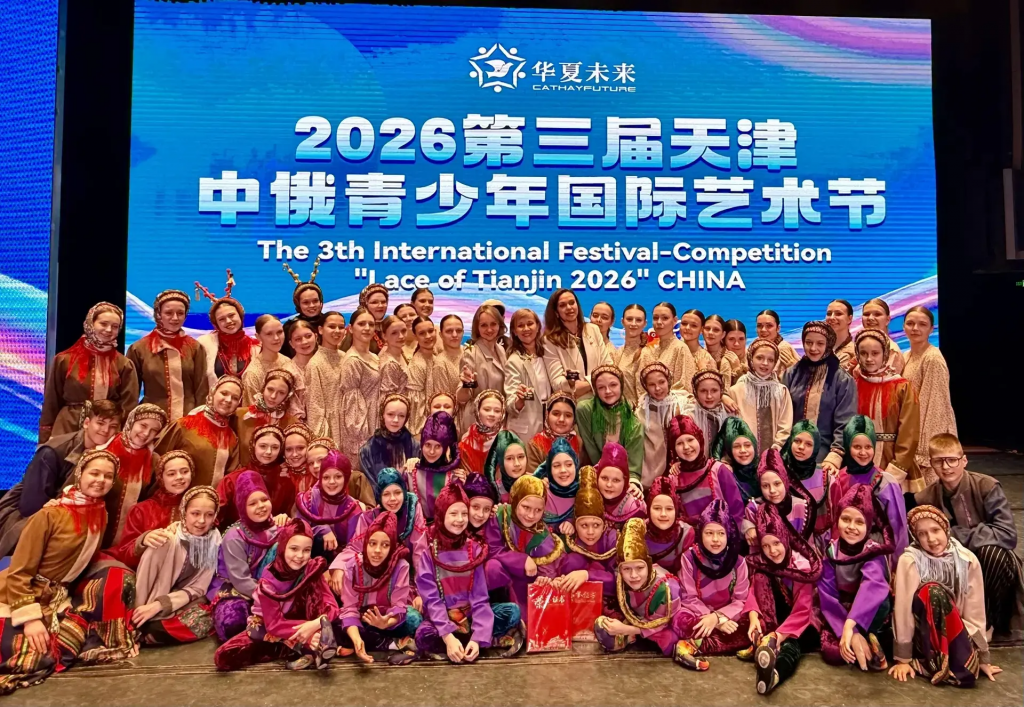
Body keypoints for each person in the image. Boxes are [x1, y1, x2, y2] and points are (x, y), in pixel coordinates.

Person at [0, 450, 131, 695]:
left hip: (57, 598)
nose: (100, 480)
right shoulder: (49, 515)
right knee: (33, 655)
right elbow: (19, 572)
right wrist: (29, 619)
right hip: (19, 594)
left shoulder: (100, 513)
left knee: (68, 646)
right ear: (80, 475)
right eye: (94, 473)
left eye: (107, 476)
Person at [914, 433, 1023, 640]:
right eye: (939, 461)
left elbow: (1008, 534)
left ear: (964, 460)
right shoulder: (925, 497)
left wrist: (955, 535)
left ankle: (989, 621)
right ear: (931, 464)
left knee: (991, 552)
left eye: (952, 460)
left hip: (992, 567)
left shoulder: (987, 486)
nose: (946, 467)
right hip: (951, 563)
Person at [414, 481, 524, 662]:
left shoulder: (475, 550)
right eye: (453, 513)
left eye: (464, 513)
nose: (460, 519)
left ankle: (472, 642)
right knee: (423, 635)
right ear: (441, 515)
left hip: (471, 616)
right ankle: (470, 642)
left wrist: (477, 637)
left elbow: (480, 598)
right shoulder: (430, 553)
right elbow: (432, 600)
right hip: (444, 618)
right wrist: (448, 636)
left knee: (512, 612)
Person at [890, 505, 998, 687]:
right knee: (932, 591)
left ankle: (955, 659)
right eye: (922, 534)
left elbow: (975, 609)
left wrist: (982, 657)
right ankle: (932, 660)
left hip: (955, 631)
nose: (931, 539)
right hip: (921, 635)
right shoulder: (910, 561)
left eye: (935, 530)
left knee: (967, 671)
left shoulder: (966, 559)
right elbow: (903, 611)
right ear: (915, 537)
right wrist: (903, 659)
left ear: (946, 529)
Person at [214, 518, 340, 671]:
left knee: (335, 618)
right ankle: (305, 648)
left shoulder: (312, 569)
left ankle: (309, 646)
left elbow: (332, 606)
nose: (300, 555)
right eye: (294, 549)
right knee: (225, 655)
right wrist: (308, 635)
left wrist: (315, 623)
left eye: (306, 550)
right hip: (271, 625)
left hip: (304, 620)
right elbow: (274, 624)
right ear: (282, 547)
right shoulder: (270, 578)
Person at [0, 400, 119, 556]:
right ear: (86, 423)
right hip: (29, 518)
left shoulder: (108, 454)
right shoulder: (53, 451)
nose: (106, 430)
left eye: (113, 426)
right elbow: (30, 505)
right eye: (100, 423)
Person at [742, 503, 823, 696]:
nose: (772, 551)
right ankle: (767, 648)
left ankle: (775, 675)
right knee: (760, 577)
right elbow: (754, 591)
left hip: (805, 621)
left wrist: (777, 636)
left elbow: (803, 610)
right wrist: (753, 617)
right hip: (780, 619)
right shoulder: (763, 562)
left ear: (785, 539)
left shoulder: (801, 567)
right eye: (766, 546)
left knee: (792, 645)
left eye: (776, 543)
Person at [593, 518, 696, 669]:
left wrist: (626, 629)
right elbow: (605, 579)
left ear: (648, 565)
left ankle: (640, 637)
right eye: (627, 569)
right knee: (603, 626)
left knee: (672, 635)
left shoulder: (666, 587)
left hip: (664, 624)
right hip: (639, 620)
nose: (633, 575)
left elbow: (661, 623)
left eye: (639, 568)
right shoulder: (621, 578)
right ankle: (631, 637)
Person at [132, 485, 221, 645]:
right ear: (184, 512)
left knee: (209, 617)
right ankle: (142, 630)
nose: (201, 521)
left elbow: (199, 588)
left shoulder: (215, 541)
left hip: (180, 602)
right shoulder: (167, 539)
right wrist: (139, 615)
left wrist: (160, 605)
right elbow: (144, 581)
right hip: (148, 600)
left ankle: (152, 632)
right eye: (195, 513)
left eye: (209, 515)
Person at [818, 484, 893, 671]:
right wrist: (849, 630)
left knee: (882, 603)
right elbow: (828, 596)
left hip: (867, 614)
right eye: (846, 519)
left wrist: (852, 626)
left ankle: (871, 636)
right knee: (833, 653)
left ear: (868, 525)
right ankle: (861, 641)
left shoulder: (873, 551)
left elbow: (872, 587)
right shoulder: (831, 551)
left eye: (859, 522)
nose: (851, 527)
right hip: (841, 613)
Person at [39, 302, 138, 443]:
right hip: (68, 428)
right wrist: (44, 438)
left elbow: (128, 406)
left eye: (115, 326)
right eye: (103, 324)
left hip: (106, 431)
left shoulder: (124, 365)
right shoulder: (64, 360)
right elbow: (51, 401)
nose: (109, 330)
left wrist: (122, 439)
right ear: (91, 323)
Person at [335, 511, 419, 665]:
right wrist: (357, 639)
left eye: (385, 545)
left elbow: (399, 606)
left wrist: (386, 623)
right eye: (372, 543)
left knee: (414, 619)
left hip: (389, 621)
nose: (377, 551)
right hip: (364, 621)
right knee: (338, 623)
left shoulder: (401, 566)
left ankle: (380, 641)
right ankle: (389, 643)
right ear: (365, 543)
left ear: (392, 547)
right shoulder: (352, 566)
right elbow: (350, 609)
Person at [675, 499, 752, 665]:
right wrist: (712, 620)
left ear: (728, 534)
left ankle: (696, 644)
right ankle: (718, 643)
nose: (715, 539)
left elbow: (741, 600)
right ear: (701, 534)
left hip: (728, 615)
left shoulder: (738, 561)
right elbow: (689, 598)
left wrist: (717, 618)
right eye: (709, 533)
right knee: (680, 619)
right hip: (699, 614)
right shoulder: (690, 558)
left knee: (753, 623)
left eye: (721, 533)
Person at [208, 471, 281, 642]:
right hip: (235, 587)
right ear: (242, 506)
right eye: (252, 503)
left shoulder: (278, 526)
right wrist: (271, 598)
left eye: (264, 500)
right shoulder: (235, 536)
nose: (261, 506)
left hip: (268, 588)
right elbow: (240, 580)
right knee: (232, 623)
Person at [483, 475, 569, 615]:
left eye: (538, 510)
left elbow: (548, 566)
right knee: (493, 567)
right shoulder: (500, 515)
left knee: (527, 617)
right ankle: (496, 612)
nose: (531, 515)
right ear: (515, 500)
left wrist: (544, 578)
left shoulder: (541, 532)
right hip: (502, 577)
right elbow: (492, 549)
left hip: (526, 583)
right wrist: (522, 560)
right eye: (526, 507)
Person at [850, 329, 922, 491]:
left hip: (893, 459)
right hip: (860, 458)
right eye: (863, 353)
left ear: (885, 354)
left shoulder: (902, 387)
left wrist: (896, 469)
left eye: (875, 353)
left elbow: (909, 432)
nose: (869, 359)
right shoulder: (853, 385)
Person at [782, 321, 856, 471]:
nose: (813, 348)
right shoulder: (791, 374)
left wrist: (835, 455)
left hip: (825, 456)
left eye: (820, 343)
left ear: (829, 345)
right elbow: (782, 416)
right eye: (809, 342)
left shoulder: (842, 379)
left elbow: (845, 422)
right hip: (791, 452)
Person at [127, 289, 208, 422]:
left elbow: (202, 390)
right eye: (169, 313)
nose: (175, 318)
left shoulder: (195, 347)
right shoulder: (139, 348)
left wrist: (200, 421)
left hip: (188, 420)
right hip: (152, 421)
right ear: (159, 314)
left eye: (180, 313)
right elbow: (131, 393)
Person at [834, 415, 909, 559]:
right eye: (857, 447)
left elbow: (898, 529)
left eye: (868, 447)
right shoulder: (838, 479)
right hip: (843, 552)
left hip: (876, 553)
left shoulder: (886, 483)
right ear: (848, 447)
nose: (863, 453)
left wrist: (897, 563)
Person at [108, 450, 194, 570]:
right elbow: (125, 554)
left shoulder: (198, 508)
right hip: (144, 571)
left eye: (184, 471)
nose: (179, 477)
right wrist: (143, 541)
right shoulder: (141, 510)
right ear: (161, 478)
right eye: (171, 474)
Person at [98, 402, 167, 549]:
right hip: (96, 530)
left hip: (129, 538)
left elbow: (151, 500)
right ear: (131, 422)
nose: (146, 433)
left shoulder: (154, 461)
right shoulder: (104, 449)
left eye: (154, 430)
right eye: (143, 425)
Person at [154, 375, 242, 487]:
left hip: (213, 498)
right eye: (224, 393)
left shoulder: (232, 437)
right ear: (213, 393)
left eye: (235, 398)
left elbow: (231, 476)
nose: (228, 400)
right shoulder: (184, 425)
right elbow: (157, 460)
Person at [901, 306, 957, 484]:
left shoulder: (932, 358)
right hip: (912, 433)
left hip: (930, 438)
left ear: (931, 329)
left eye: (922, 324)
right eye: (910, 323)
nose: (915, 328)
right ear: (903, 327)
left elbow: (936, 407)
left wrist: (924, 450)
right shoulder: (906, 356)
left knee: (932, 492)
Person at [667, 415, 747, 531]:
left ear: (699, 440)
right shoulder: (674, 478)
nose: (686, 447)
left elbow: (736, 509)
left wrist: (731, 536)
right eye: (679, 443)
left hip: (720, 537)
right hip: (690, 538)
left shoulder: (718, 470)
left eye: (690, 440)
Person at [504, 308, 570, 442]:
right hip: (525, 431)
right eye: (520, 326)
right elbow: (510, 405)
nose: (526, 329)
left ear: (538, 326)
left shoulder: (547, 353)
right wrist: (519, 400)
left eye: (530, 323)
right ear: (514, 332)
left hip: (550, 425)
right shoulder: (514, 361)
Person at [576, 366, 643, 495]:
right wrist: (602, 475)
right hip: (593, 473)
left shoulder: (633, 422)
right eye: (601, 387)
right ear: (595, 390)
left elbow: (634, 463)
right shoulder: (585, 410)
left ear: (621, 386)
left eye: (613, 385)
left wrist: (633, 482)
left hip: (620, 478)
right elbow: (590, 448)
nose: (608, 391)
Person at [342, 467, 426, 564]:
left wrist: (421, 574)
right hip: (379, 569)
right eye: (386, 494)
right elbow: (354, 549)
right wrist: (339, 567)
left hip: (409, 568)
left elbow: (420, 548)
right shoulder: (369, 518)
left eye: (397, 492)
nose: (393, 498)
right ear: (379, 497)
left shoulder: (412, 509)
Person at [216, 425, 293, 529]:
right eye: (263, 446)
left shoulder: (285, 481)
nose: (269, 452)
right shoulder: (232, 480)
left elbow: (288, 514)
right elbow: (215, 514)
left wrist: (284, 518)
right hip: (236, 535)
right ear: (253, 446)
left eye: (275, 447)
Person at [560, 466, 618, 601]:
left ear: (604, 525)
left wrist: (587, 575)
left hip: (607, 599)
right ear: (575, 525)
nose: (590, 532)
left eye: (596, 525)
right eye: (584, 525)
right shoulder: (570, 540)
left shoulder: (612, 539)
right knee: (574, 560)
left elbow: (620, 579)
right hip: (576, 600)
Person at [542, 289, 611, 400]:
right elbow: (557, 383)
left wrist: (586, 384)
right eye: (562, 305)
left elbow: (608, 367)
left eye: (572, 303)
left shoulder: (593, 329)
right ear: (556, 312)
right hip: (574, 404)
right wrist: (573, 384)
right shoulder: (549, 341)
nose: (569, 307)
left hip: (600, 400)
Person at [729, 339, 794, 454]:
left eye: (770, 360)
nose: (765, 363)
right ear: (751, 359)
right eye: (759, 358)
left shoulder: (781, 391)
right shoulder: (736, 391)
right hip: (743, 454)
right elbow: (732, 426)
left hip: (775, 454)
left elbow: (785, 426)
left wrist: (775, 449)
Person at [637, 361, 694, 489]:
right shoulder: (643, 409)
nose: (657, 388)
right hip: (652, 467)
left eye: (661, 382)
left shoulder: (682, 403)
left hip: (681, 465)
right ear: (645, 386)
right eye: (652, 384)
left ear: (668, 381)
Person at [296, 450, 365, 557]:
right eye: (326, 477)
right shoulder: (309, 499)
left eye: (338, 477)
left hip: (341, 560)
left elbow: (354, 548)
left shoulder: (353, 508)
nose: (332, 482)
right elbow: (296, 532)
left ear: (346, 478)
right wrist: (321, 529)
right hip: (304, 557)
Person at [195, 272, 258, 385]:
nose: (228, 321)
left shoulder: (256, 346)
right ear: (216, 324)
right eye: (221, 319)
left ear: (240, 316)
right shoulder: (204, 344)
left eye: (231, 315)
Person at [337, 307, 382, 465]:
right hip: (361, 429)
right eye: (361, 324)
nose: (367, 328)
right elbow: (352, 406)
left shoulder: (374, 357)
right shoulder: (352, 360)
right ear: (350, 328)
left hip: (376, 421)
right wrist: (363, 438)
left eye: (371, 324)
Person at [779, 420, 838, 540]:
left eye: (809, 444)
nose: (801, 447)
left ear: (816, 447)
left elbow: (837, 516)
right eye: (797, 441)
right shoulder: (779, 475)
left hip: (821, 544)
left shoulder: (826, 476)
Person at [241, 315, 306, 420]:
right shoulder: (253, 373)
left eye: (279, 332)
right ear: (258, 337)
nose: (276, 338)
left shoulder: (287, 361)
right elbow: (251, 413)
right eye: (269, 334)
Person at [233, 369, 299, 468]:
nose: (273, 396)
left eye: (281, 393)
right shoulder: (240, 416)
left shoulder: (292, 423)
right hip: (243, 473)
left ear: (287, 396)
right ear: (263, 388)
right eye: (270, 389)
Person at [743, 449, 810, 545]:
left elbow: (807, 544)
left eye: (777, 484)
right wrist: (748, 528)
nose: (772, 490)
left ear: (785, 481)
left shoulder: (801, 507)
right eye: (765, 486)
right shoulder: (754, 508)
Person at [457, 304, 507, 431]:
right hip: (477, 422)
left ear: (500, 325)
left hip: (498, 420)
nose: (489, 329)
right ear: (477, 328)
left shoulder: (501, 350)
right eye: (484, 325)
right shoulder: (471, 353)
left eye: (493, 324)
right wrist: (466, 385)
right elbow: (462, 398)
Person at [408, 411, 462, 523]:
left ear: (445, 448)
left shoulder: (453, 476)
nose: (432, 451)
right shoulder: (410, 472)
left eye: (438, 446)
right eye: (428, 445)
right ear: (421, 445)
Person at [360, 393, 420, 489]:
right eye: (390, 414)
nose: (396, 420)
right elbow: (370, 486)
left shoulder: (415, 447)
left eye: (401, 416)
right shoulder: (368, 450)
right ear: (382, 414)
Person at [303, 311, 346, 439]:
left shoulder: (345, 357)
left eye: (341, 327)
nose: (337, 331)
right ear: (321, 330)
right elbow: (314, 407)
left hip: (349, 424)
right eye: (332, 326)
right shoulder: (315, 364)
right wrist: (321, 440)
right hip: (330, 429)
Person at [637, 302, 696, 395]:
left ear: (675, 320)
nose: (659, 322)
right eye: (655, 318)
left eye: (665, 318)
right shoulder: (648, 350)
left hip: (674, 403)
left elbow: (686, 386)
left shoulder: (680, 348)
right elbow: (640, 384)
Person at [645, 477, 696, 575]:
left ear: (676, 510)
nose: (663, 514)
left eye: (669, 509)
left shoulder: (685, 534)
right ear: (648, 509)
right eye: (657, 508)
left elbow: (686, 573)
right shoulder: (638, 532)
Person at [532, 438, 582, 534]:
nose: (563, 470)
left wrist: (573, 523)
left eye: (568, 464)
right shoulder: (540, 493)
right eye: (556, 466)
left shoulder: (584, 494)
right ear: (549, 469)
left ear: (575, 466)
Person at [405, 316, 444, 434]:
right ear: (415, 336)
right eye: (422, 333)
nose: (428, 336)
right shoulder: (417, 364)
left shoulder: (434, 357)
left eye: (430, 331)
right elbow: (415, 407)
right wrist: (422, 431)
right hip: (424, 429)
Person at [525, 392, 582, 471]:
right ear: (547, 414)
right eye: (556, 414)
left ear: (574, 419)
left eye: (568, 415)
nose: (561, 419)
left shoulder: (578, 441)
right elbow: (532, 476)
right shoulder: (535, 444)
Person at [711, 416, 761, 504]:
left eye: (747, 445)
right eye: (736, 446)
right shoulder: (729, 475)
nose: (743, 450)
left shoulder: (763, 470)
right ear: (730, 451)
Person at [595, 442, 646, 528]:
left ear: (625, 482)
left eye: (616, 480)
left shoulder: (634, 506)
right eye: (604, 478)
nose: (609, 484)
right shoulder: (590, 495)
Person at [281, 258, 326, 346]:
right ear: (298, 305)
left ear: (321, 302)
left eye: (315, 301)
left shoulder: (329, 323)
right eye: (306, 302)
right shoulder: (290, 327)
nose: (312, 305)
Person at [459, 390, 506, 473]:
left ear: (502, 414)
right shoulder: (466, 440)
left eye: (497, 411)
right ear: (477, 410)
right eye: (487, 409)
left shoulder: (507, 440)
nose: (492, 414)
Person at [611, 304, 647, 407]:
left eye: (638, 320)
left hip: (636, 412)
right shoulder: (618, 352)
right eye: (629, 319)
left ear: (645, 324)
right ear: (622, 322)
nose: (633, 324)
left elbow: (643, 393)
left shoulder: (646, 353)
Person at [690, 370, 730, 458]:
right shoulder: (690, 417)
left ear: (721, 391)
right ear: (696, 392)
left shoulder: (729, 413)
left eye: (714, 390)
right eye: (703, 391)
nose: (709, 396)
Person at [859, 298, 904, 374]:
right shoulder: (859, 346)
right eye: (866, 314)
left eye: (877, 314)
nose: (870, 318)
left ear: (887, 320)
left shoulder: (892, 351)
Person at [483, 430, 530, 503]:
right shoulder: (492, 492)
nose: (517, 463)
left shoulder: (536, 486)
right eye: (509, 458)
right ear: (501, 462)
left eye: (521, 457)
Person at [342, 283, 389, 353]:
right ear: (364, 304)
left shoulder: (388, 328)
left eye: (383, 302)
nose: (380, 306)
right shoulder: (353, 329)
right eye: (374, 302)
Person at [703, 314, 742, 388]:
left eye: (716, 330)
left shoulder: (729, 358)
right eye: (707, 328)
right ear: (702, 330)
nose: (710, 332)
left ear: (723, 335)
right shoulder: (700, 354)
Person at [754, 310, 798, 375]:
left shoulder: (783, 349)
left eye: (769, 326)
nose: (763, 330)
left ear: (778, 328)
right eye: (759, 326)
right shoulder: (753, 346)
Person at [379, 314, 410, 396]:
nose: (401, 336)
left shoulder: (401, 354)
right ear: (384, 336)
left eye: (403, 331)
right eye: (394, 333)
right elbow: (389, 397)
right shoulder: (389, 364)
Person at [281, 423, 316, 496]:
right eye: (289, 449)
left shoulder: (317, 472)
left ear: (309, 447)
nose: (295, 454)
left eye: (300, 448)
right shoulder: (282, 474)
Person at [825, 299, 856, 369]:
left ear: (849, 319)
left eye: (838, 314)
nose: (832, 317)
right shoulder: (818, 349)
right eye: (829, 314)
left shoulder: (856, 352)